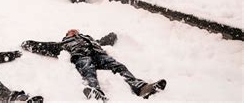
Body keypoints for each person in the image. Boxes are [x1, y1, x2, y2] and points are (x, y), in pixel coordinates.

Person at [21, 29, 166, 101]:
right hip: (81, 57)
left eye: (75, 30)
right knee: (87, 69)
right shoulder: (63, 44)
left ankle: (141, 87)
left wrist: (112, 35)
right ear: (67, 36)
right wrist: (28, 44)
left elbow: (106, 40)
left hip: (100, 56)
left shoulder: (91, 40)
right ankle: (95, 91)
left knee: (118, 66)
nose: (74, 31)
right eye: (70, 32)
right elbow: (44, 46)